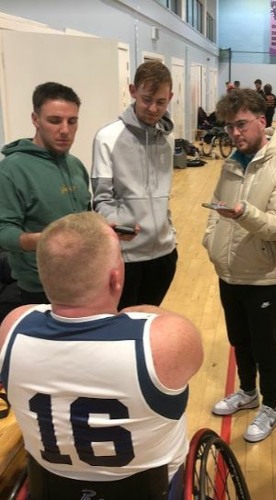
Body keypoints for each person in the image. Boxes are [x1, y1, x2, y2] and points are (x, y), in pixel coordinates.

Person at [0, 211, 203, 499]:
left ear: (45, 278)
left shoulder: (12, 326)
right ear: (115, 278)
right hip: (150, 491)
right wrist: (134, 312)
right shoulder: (165, 339)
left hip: (53, 489)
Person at [202, 88, 276, 443]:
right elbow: (216, 208)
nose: (234, 133)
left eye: (241, 125)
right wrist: (211, 242)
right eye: (229, 127)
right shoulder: (232, 162)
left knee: (264, 343)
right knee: (239, 339)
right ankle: (248, 392)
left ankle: (272, 405)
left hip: (264, 276)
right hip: (228, 270)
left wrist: (245, 213)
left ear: (262, 122)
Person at [92, 61, 177, 309]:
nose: (153, 108)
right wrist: (119, 226)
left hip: (164, 254)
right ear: (132, 91)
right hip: (126, 256)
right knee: (120, 328)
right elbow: (101, 199)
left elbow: (163, 194)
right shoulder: (107, 137)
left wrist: (170, 233)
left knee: (148, 324)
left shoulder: (168, 138)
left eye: (161, 102)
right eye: (146, 99)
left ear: (170, 97)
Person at [0, 82, 91, 306]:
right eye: (54, 120)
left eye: (72, 121)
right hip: (38, 289)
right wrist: (45, 241)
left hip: (82, 280)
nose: (65, 130)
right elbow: (4, 232)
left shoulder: (76, 165)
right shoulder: (11, 170)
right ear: (35, 119)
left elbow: (85, 215)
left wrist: (105, 228)